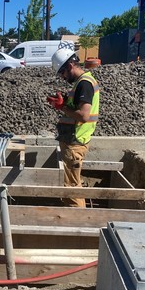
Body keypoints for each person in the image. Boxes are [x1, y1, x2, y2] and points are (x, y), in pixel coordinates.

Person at [47, 48, 100, 208]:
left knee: (71, 189)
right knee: (72, 184)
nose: (62, 77)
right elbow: (76, 110)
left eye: (62, 72)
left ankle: (77, 224)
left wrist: (62, 107)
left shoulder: (84, 84)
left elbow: (83, 115)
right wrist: (63, 104)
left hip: (75, 142)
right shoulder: (81, 83)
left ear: (70, 65)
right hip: (73, 141)